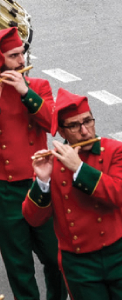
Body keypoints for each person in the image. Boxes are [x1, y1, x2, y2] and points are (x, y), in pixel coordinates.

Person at [0, 27, 65, 300]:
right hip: (6, 193)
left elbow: (52, 124)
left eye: (22, 53)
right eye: (13, 56)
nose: (21, 61)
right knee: (19, 268)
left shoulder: (39, 87)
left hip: (40, 186)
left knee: (56, 259)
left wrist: (25, 93)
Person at [23, 89, 122, 299]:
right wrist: (42, 180)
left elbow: (118, 194)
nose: (85, 131)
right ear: (62, 131)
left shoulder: (114, 150)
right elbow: (34, 218)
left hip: (118, 252)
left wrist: (79, 169)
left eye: (88, 121)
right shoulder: (52, 163)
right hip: (80, 265)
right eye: (75, 125)